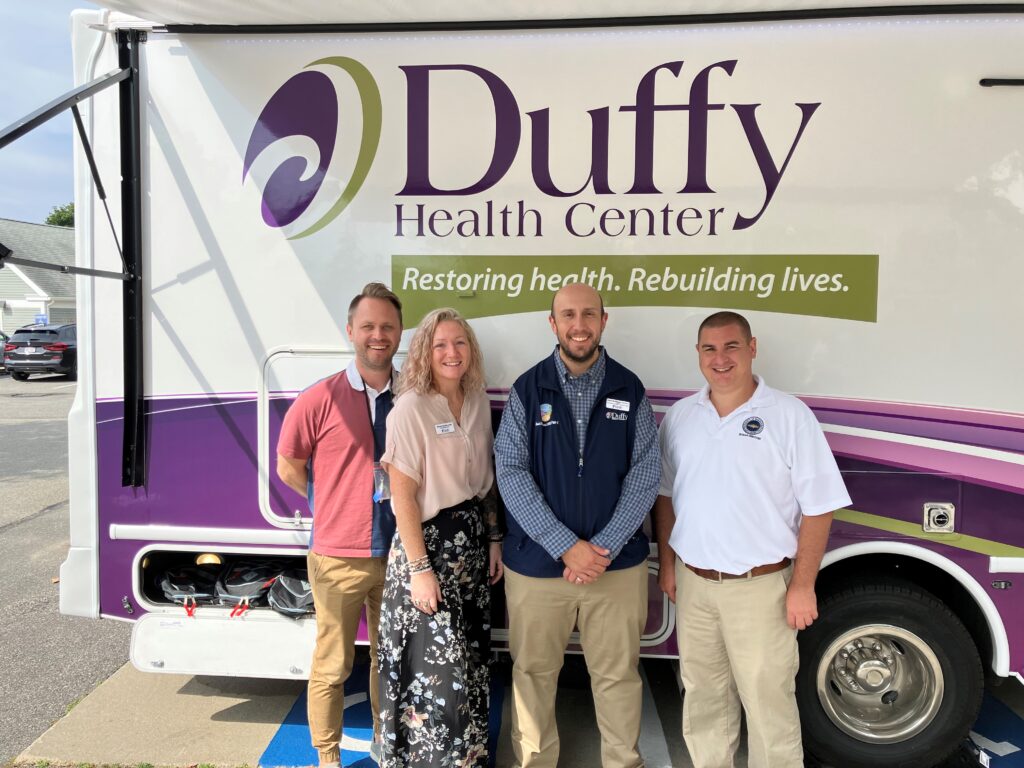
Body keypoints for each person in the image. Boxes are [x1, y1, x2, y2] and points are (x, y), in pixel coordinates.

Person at [653, 311, 851, 768]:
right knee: (704, 701)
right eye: (709, 349)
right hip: (695, 585)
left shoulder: (788, 415)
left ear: (752, 348)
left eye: (731, 347)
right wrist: (668, 564)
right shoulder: (682, 417)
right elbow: (665, 497)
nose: (720, 359)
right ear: (698, 355)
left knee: (769, 706)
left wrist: (802, 585)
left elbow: (820, 506)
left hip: (761, 588)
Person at [494, 282, 660, 768]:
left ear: (604, 321)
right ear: (553, 323)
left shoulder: (629, 389)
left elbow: (646, 472)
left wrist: (601, 547)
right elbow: (510, 469)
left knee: (617, 677)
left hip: (616, 567)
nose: (579, 324)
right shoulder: (529, 388)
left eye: (589, 314)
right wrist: (566, 545)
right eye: (568, 314)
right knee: (533, 675)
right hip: (538, 567)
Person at [276, 282, 404, 768]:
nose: (378, 335)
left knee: (388, 663)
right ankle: (327, 758)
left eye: (387, 326)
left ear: (398, 333)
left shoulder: (411, 396)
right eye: (368, 326)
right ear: (350, 331)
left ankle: (385, 747)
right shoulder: (319, 399)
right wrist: (329, 504)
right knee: (332, 665)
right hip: (337, 557)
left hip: (397, 555)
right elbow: (288, 464)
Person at [377, 307, 503, 768]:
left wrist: (493, 539)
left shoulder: (475, 401)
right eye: (440, 344)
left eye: (460, 343)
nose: (452, 352)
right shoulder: (410, 408)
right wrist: (420, 570)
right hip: (427, 552)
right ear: (425, 354)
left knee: (469, 666)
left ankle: (465, 760)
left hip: (468, 550)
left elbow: (485, 484)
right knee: (434, 676)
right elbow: (402, 498)